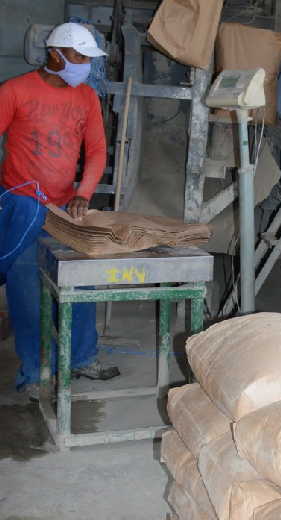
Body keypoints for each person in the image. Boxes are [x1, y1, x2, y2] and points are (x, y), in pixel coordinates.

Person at [0, 22, 120, 400]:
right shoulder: (14, 91)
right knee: (25, 289)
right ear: (56, 55)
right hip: (21, 204)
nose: (85, 66)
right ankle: (34, 372)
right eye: (80, 57)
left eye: (88, 59)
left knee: (79, 279)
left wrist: (84, 193)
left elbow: (97, 150)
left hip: (65, 206)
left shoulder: (85, 97)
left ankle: (81, 357)